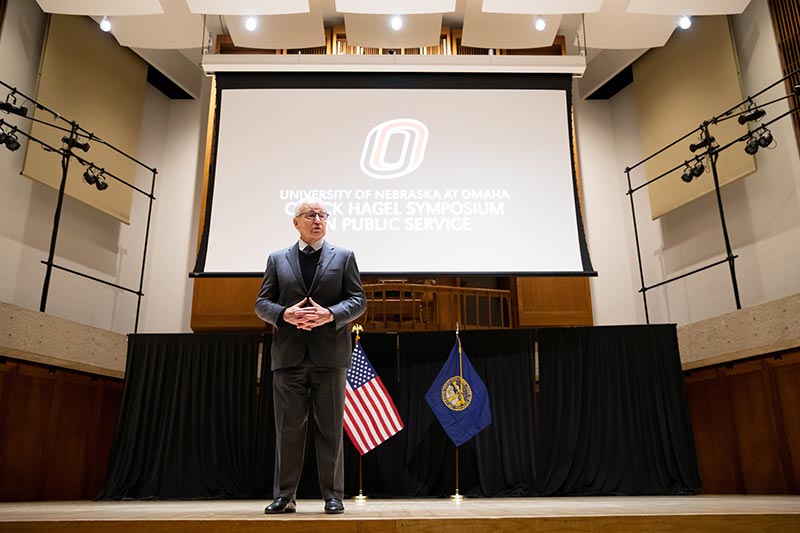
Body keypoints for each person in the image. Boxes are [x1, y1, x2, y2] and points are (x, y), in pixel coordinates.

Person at [255, 198, 366, 515]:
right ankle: (285, 496)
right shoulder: (277, 259)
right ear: (296, 222)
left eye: (322, 215)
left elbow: (358, 301)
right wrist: (284, 314)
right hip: (288, 357)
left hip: (330, 357)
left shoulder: (344, 257)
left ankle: (333, 495)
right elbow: (262, 303)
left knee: (330, 429)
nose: (317, 220)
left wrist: (330, 314)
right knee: (288, 430)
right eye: (310, 215)